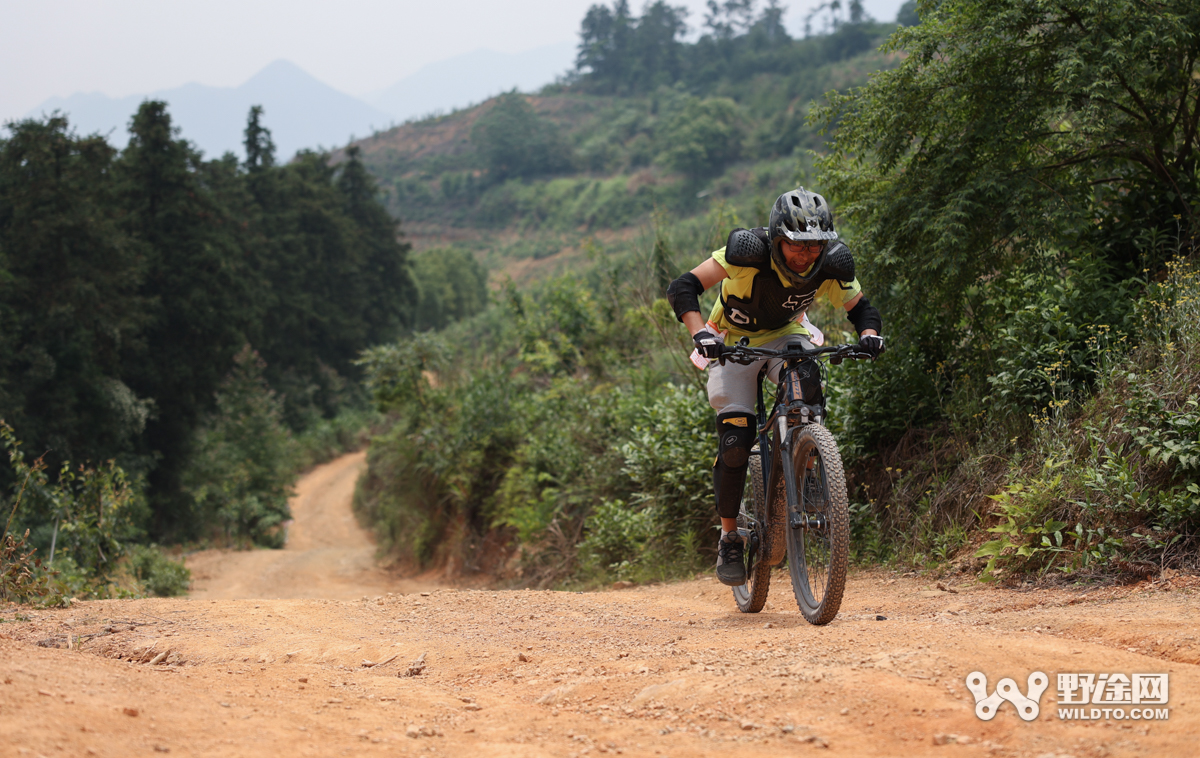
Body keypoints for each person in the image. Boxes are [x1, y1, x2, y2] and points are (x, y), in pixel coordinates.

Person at [665, 187, 884, 586]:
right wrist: (700, 334)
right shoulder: (746, 252)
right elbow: (683, 287)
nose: (805, 255)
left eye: (814, 247)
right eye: (795, 246)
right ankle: (730, 538)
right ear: (776, 237)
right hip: (732, 340)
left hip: (787, 335)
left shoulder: (830, 264)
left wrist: (869, 334)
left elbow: (862, 309)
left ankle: (809, 459)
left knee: (806, 383)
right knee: (735, 445)